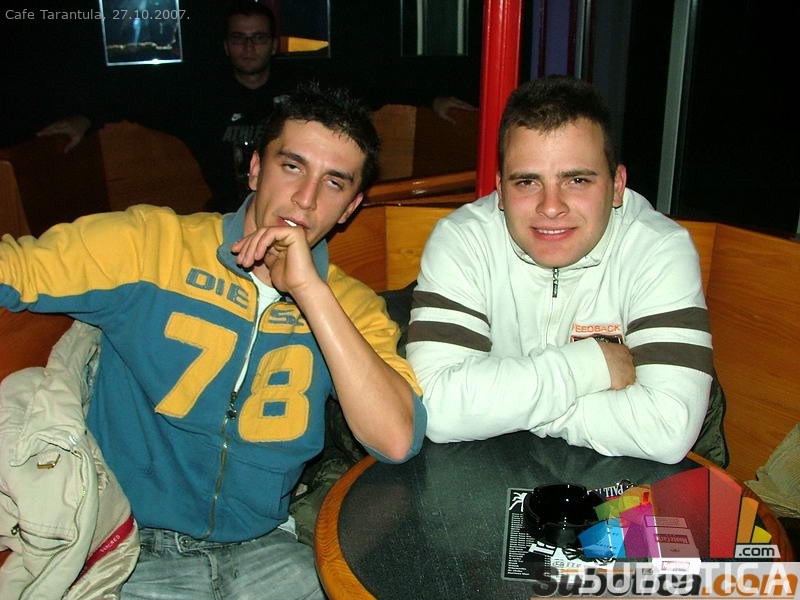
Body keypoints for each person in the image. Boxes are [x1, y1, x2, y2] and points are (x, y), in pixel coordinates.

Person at [0, 81, 426, 599]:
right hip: (133, 555)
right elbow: (13, 269)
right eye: (292, 166)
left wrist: (311, 292)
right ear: (255, 168)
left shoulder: (350, 305)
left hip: (268, 550)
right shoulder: (151, 245)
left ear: (350, 208)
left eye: (333, 183)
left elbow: (396, 439)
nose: (306, 198)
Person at [406, 75, 719, 465]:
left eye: (577, 180)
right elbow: (435, 409)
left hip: (618, 477)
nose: (551, 206)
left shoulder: (658, 249)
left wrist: (500, 408)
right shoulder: (463, 240)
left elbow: (668, 429)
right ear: (500, 190)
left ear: (617, 185)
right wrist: (591, 364)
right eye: (527, 182)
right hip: (489, 468)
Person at [37, 0, 476, 214]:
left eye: (259, 38)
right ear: (226, 46)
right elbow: (130, 98)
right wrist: (83, 119)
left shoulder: (303, 90)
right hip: (227, 215)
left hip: (296, 214)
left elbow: (374, 85)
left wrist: (434, 98)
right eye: (239, 38)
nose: (249, 47)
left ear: (273, 44)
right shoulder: (199, 95)